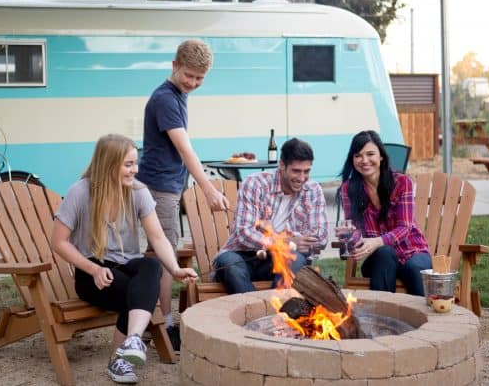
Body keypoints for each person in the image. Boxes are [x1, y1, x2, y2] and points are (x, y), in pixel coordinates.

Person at [51, 134, 197, 384]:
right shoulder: (80, 192)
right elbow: (58, 242)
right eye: (128, 164)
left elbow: (158, 238)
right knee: (139, 290)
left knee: (151, 265)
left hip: (127, 267)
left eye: (135, 163)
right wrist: (93, 269)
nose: (135, 170)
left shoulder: (138, 192)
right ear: (109, 165)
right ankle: (121, 359)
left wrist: (174, 268)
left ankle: (132, 341)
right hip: (93, 273)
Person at [136, 39, 229, 349]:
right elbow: (184, 147)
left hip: (168, 186)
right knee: (165, 257)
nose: (192, 83)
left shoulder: (177, 95)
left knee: (159, 254)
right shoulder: (165, 99)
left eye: (199, 78)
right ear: (174, 66)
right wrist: (208, 189)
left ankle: (153, 320)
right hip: (160, 188)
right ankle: (164, 326)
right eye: (188, 75)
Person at [213, 138, 328, 294]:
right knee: (229, 264)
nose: (302, 178)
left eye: (306, 171)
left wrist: (289, 245)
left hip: (281, 260)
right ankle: (259, 312)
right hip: (243, 255)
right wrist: (286, 241)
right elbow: (244, 232)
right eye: (296, 171)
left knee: (296, 260)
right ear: (281, 166)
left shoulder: (313, 190)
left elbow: (320, 237)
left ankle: (273, 314)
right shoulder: (255, 184)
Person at [338, 130, 431, 296]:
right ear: (352, 159)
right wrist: (349, 236)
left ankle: (429, 319)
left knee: (414, 268)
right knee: (385, 252)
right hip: (381, 259)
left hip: (413, 250)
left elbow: (405, 227)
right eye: (358, 155)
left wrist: (378, 241)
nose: (364, 160)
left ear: (381, 156)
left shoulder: (402, 183)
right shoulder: (349, 189)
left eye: (370, 154)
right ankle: (381, 317)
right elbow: (355, 228)